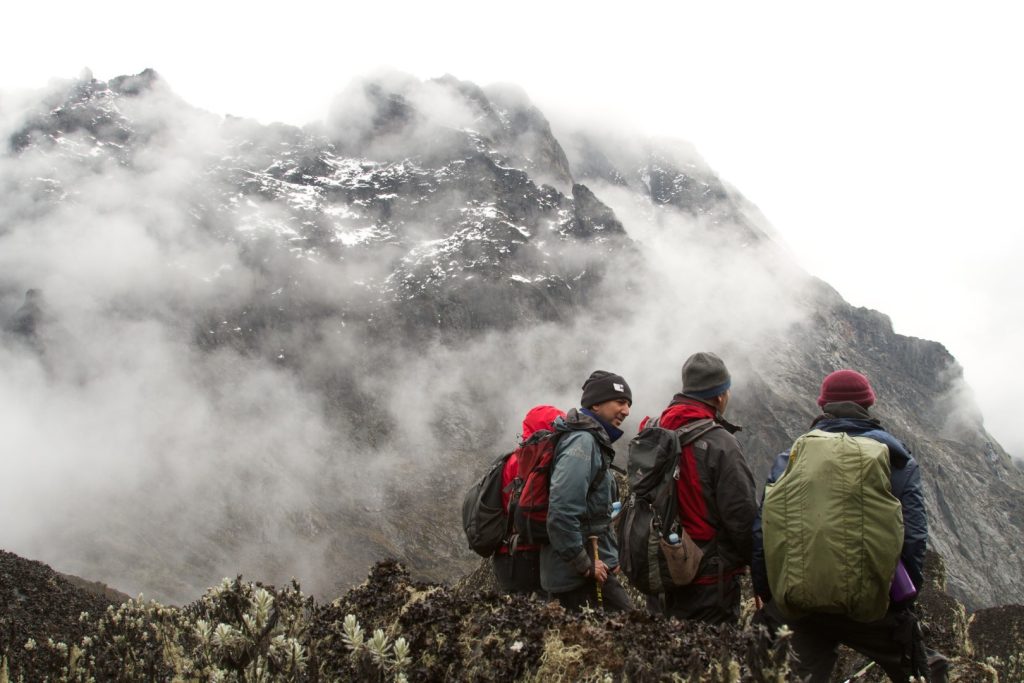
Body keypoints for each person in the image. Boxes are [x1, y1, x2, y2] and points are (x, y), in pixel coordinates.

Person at [751, 369, 931, 682]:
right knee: (923, 670)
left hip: (800, 605)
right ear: (868, 405)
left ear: (823, 406)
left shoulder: (791, 457)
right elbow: (914, 537)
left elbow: (762, 531)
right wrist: (902, 602)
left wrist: (769, 594)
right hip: (872, 605)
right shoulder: (896, 460)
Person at [646, 351, 757, 624]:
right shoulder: (720, 443)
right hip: (709, 578)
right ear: (720, 395)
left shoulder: (656, 430)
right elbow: (742, 517)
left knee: (665, 652)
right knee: (709, 660)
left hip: (662, 567)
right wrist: (761, 574)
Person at [541, 370, 634, 612]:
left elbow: (595, 515)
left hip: (591, 569)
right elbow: (562, 510)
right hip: (576, 578)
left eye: (629, 404)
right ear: (596, 404)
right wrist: (584, 564)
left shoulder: (593, 441)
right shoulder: (582, 442)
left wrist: (610, 557)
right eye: (621, 402)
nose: (626, 411)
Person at [492, 404, 565, 595]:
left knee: (517, 615)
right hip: (532, 552)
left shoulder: (511, 460)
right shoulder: (541, 461)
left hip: (506, 553)